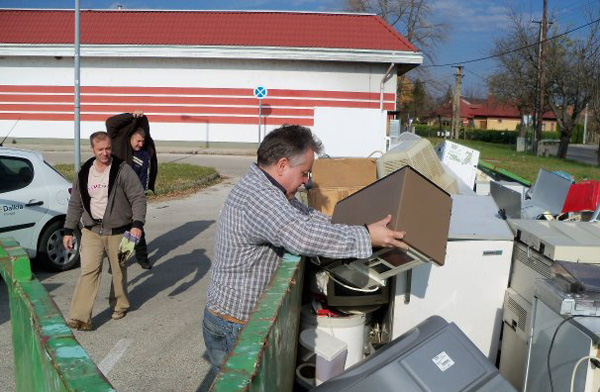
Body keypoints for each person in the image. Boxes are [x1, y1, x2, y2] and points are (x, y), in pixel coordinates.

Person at [203, 124, 408, 372]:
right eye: (304, 173)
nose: (305, 182)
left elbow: (309, 218)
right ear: (282, 165)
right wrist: (365, 236)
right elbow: (301, 236)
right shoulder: (259, 197)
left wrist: (361, 225)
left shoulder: (272, 191)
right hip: (235, 325)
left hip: (239, 321)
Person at [63, 132, 147, 331]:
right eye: (100, 149)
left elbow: (138, 198)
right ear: (92, 149)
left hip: (120, 231)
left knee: (118, 270)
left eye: (108, 148)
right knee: (89, 271)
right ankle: (80, 317)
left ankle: (119, 305)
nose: (105, 153)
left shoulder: (122, 170)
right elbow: (75, 203)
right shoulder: (84, 172)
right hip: (92, 230)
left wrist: (137, 224)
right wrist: (68, 229)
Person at [106, 111, 157, 269]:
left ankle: (140, 258)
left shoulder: (144, 155)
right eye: (138, 140)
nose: (140, 144)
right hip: (116, 194)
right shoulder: (118, 143)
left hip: (134, 196)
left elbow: (144, 177)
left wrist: (139, 196)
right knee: (117, 229)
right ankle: (116, 261)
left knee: (136, 227)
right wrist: (130, 116)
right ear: (130, 137)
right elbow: (110, 123)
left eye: (143, 141)